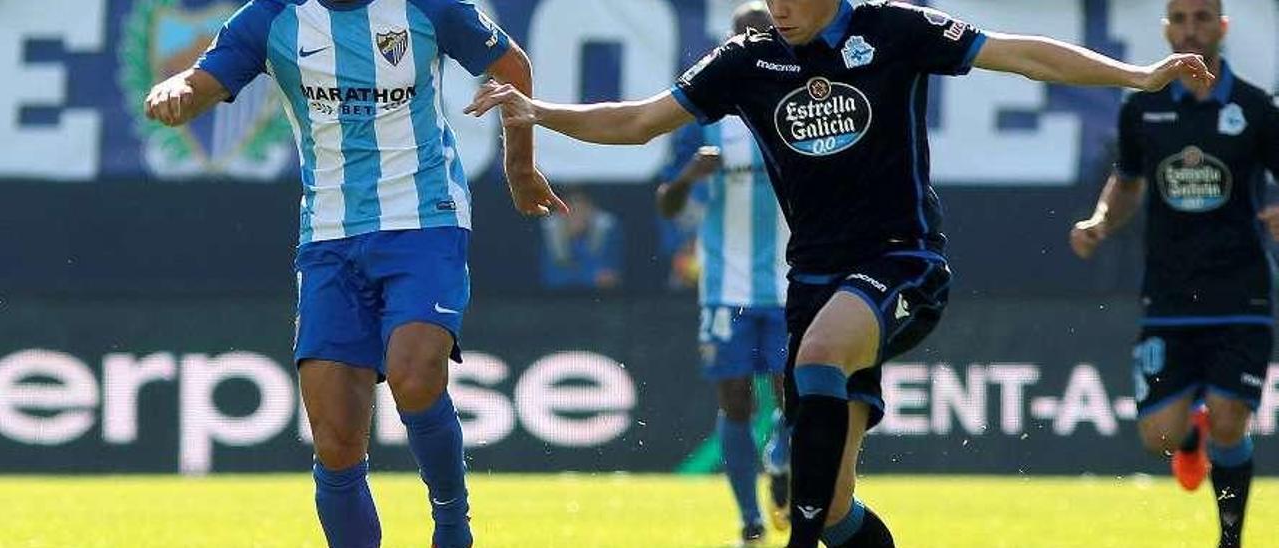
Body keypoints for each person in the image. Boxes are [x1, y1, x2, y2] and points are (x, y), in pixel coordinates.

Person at [464, 0, 1211, 546]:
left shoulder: (894, 29)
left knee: (819, 365)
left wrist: (1139, 77)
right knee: (838, 505)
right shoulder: (747, 61)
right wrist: (536, 110)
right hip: (813, 283)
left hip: (903, 264)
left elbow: (1025, 54)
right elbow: (635, 122)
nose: (777, 10)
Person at [142, 1, 565, 547]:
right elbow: (203, 79)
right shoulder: (273, 17)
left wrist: (520, 165)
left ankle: (452, 527)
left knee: (414, 376)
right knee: (337, 439)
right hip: (329, 235)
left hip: (424, 216)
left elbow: (511, 66)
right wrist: (174, 91)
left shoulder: (428, 7)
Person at [1069, 1, 1278, 546]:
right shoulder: (1143, 109)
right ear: (1165, 28)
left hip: (1242, 292)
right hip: (1168, 295)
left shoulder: (1255, 107)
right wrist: (1098, 221)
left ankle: (1230, 537)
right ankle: (1190, 440)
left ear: (1222, 27)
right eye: (1180, 18)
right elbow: (1128, 180)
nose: (1191, 28)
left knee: (1233, 419)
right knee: (1158, 435)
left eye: (1202, 17)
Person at [655, 4, 792, 542]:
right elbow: (667, 204)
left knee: (796, 398)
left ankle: (781, 456)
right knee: (736, 402)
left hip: (791, 280)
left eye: (761, 35)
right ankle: (751, 521)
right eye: (741, 38)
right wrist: (691, 174)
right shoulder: (702, 118)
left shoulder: (798, 106)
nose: (751, 46)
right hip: (725, 287)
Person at [541, 189, 624, 289]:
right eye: (572, 210)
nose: (577, 215)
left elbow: (610, 278)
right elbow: (550, 278)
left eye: (582, 209)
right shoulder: (550, 233)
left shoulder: (606, 232)